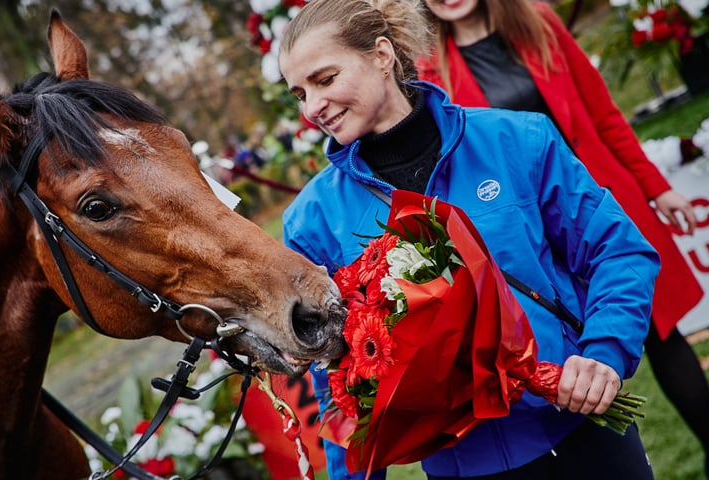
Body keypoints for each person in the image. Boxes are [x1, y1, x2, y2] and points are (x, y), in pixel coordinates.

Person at [277, 0, 661, 478]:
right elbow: (332, 375)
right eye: (298, 94)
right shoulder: (312, 221)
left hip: (581, 427)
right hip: (462, 465)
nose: (312, 108)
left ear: (381, 55)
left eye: (325, 79)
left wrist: (604, 352)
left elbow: (618, 249)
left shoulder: (516, 139)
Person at [417, 0, 709, 475]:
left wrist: (656, 188)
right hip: (530, 239)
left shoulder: (537, 23)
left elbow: (604, 115)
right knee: (569, 364)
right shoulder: (430, 67)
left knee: (662, 334)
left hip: (597, 209)